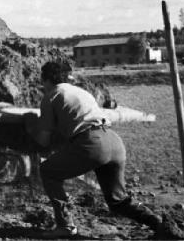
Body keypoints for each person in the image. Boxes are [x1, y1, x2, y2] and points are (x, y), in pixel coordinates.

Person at [24, 61, 162, 238]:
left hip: (93, 144)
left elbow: (43, 141)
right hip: (113, 141)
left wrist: (30, 127)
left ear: (45, 79)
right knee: (117, 200)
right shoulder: (82, 92)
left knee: (48, 171)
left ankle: (66, 225)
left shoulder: (51, 96)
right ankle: (158, 223)